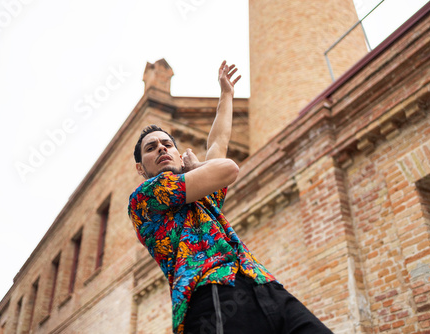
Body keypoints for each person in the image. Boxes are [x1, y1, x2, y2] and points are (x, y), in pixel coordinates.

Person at [128, 61, 333, 334]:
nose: (162, 149)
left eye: (167, 144)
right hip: (210, 295)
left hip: (259, 282)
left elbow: (217, 144)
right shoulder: (145, 197)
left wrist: (226, 95)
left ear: (178, 153)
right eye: (151, 148)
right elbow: (228, 168)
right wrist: (199, 167)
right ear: (141, 168)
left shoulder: (201, 191)